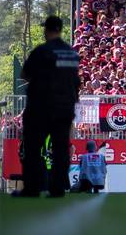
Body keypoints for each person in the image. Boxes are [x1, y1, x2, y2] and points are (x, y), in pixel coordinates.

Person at [15, 15, 81, 198]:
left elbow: (25, 74)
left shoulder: (41, 51)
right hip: (65, 107)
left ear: (47, 30)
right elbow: (75, 80)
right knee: (61, 148)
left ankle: (32, 188)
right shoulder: (72, 53)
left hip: (41, 106)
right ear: (60, 29)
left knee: (33, 147)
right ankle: (58, 188)